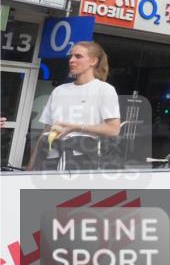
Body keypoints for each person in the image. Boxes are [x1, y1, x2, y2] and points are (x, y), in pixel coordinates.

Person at [35, 42, 120, 171]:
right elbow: (46, 130)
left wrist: (76, 127)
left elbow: (113, 129)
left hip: (83, 159)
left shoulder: (104, 89)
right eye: (71, 56)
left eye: (78, 56)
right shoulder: (59, 90)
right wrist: (32, 164)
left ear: (93, 61)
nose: (72, 60)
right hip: (50, 158)